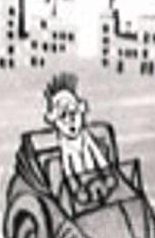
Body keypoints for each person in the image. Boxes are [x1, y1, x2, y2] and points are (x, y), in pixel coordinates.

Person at [42, 74, 114, 206]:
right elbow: (68, 169)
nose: (70, 120)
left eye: (73, 113)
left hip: (96, 175)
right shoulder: (65, 146)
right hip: (81, 182)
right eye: (63, 116)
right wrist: (75, 188)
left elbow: (98, 156)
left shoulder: (87, 137)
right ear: (56, 123)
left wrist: (107, 172)